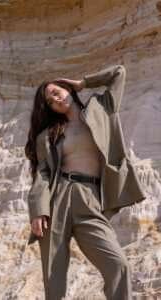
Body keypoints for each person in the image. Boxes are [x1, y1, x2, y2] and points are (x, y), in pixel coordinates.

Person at [25, 65, 146, 300]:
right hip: (58, 197)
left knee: (118, 265)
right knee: (55, 280)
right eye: (50, 101)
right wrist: (38, 210)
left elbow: (119, 73)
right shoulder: (48, 136)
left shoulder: (101, 107)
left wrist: (83, 82)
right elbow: (43, 173)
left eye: (57, 92)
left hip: (90, 199)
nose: (56, 99)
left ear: (67, 89)